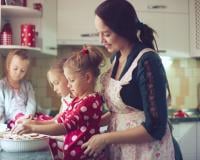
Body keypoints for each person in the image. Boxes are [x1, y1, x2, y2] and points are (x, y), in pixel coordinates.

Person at [81, 1, 175, 160]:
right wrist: (89, 124)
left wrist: (105, 138)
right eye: (99, 33)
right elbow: (119, 113)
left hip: (147, 152)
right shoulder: (116, 58)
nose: (101, 40)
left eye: (107, 34)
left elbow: (156, 128)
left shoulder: (147, 61)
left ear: (123, 29)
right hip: (121, 150)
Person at [13, 46, 105, 160]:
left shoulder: (89, 102)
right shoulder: (79, 100)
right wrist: (32, 123)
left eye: (71, 80)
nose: (68, 85)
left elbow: (63, 127)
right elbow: (60, 120)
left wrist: (32, 128)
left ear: (87, 77)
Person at [0, 49, 37, 128]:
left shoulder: (28, 85)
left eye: (22, 70)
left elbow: (31, 103)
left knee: (42, 124)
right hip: (11, 121)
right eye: (15, 69)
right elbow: (1, 106)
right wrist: (2, 126)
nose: (18, 73)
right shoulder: (2, 86)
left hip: (27, 118)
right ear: (8, 66)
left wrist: (27, 117)